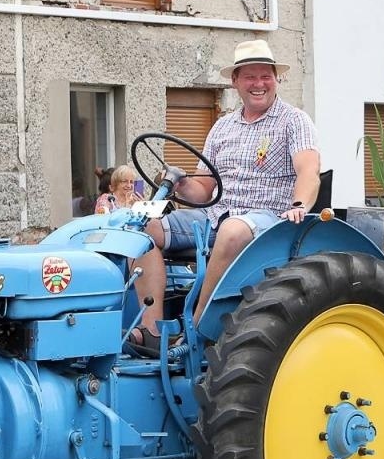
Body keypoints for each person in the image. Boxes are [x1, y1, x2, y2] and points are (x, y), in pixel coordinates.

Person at [127, 40, 321, 356]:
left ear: (276, 78)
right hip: (215, 215)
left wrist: (299, 205)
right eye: (250, 77)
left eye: (265, 76)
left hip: (267, 218)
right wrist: (181, 184)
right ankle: (151, 329)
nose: (259, 84)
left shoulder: (293, 120)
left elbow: (308, 171)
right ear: (235, 81)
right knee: (141, 227)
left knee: (232, 230)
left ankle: (197, 327)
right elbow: (204, 190)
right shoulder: (221, 127)